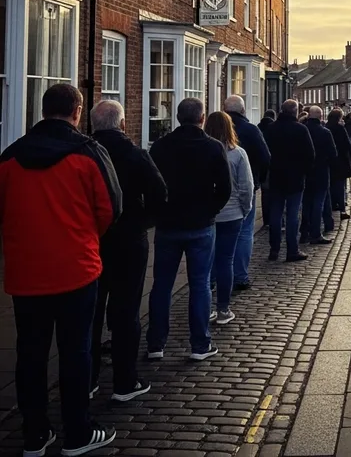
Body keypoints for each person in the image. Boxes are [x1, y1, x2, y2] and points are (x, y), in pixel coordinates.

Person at [0, 84, 121, 456]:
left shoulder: (10, 157)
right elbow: (111, 209)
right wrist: (83, 235)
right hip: (76, 270)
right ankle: (78, 431)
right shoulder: (88, 153)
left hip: (26, 271)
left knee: (30, 353)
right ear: (77, 111)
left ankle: (35, 434)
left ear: (43, 110)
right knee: (76, 352)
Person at [89, 100, 167, 404]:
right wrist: (142, 223)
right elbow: (160, 195)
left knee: (91, 312)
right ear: (123, 124)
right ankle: (124, 381)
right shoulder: (136, 155)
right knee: (126, 311)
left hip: (92, 241)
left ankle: (88, 378)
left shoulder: (84, 154)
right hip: (129, 243)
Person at [147, 97, 232, 362]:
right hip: (200, 226)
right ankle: (199, 344)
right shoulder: (213, 147)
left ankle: (155, 344)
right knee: (200, 285)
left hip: (168, 226)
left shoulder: (160, 147)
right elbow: (225, 189)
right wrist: (210, 210)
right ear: (202, 118)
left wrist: (160, 211)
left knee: (161, 285)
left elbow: (151, 187)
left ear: (177, 117)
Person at [204, 112, 253, 325]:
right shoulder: (238, 153)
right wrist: (246, 208)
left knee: (205, 264)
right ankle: (223, 309)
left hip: (207, 215)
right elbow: (246, 187)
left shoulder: (201, 150)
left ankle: (204, 309)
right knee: (226, 260)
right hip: (232, 214)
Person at [223, 96, 270, 292]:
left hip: (217, 189)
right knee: (244, 232)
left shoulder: (214, 129)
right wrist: (259, 178)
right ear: (243, 111)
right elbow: (266, 156)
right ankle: (240, 276)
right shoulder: (251, 130)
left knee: (218, 234)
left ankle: (216, 277)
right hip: (245, 187)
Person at [263, 99, 315, 262]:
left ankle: (274, 249)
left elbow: (265, 153)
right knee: (293, 214)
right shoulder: (301, 129)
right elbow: (310, 154)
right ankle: (292, 250)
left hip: (276, 177)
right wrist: (305, 172)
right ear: (295, 112)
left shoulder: (271, 129)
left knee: (276, 214)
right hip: (295, 178)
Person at [302, 106, 338, 244]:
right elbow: (333, 154)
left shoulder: (303, 130)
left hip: (305, 172)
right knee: (318, 202)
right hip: (321, 171)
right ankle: (315, 233)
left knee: (306, 202)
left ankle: (304, 231)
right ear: (320, 116)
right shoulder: (325, 132)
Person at [326, 108, 351, 219]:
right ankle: (342, 208)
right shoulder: (340, 128)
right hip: (341, 160)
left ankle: (332, 205)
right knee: (340, 186)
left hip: (329, 161)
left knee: (330, 185)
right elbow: (347, 145)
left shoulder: (326, 127)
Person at [257, 109, 277, 229]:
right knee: (274, 194)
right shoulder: (274, 129)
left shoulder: (258, 128)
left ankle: (266, 220)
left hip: (262, 166)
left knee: (265, 194)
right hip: (273, 165)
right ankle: (273, 219)